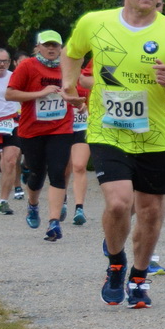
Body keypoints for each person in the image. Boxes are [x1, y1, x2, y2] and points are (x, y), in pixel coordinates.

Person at [62, 0, 165, 307]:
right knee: (119, 201)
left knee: (150, 211)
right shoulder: (95, 22)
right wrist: (68, 83)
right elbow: (72, 52)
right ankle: (115, 262)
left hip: (155, 135)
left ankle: (138, 278)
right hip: (107, 129)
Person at [6, 31, 76, 239]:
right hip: (32, 130)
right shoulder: (27, 66)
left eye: (55, 45)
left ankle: (54, 222)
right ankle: (33, 204)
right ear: (38, 47)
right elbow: (10, 94)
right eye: (47, 45)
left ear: (61, 48)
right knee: (37, 173)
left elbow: (76, 92)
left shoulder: (68, 66)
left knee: (58, 171)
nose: (51, 49)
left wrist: (77, 102)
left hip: (60, 128)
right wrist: (41, 93)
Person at [65, 56, 92, 226]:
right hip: (61, 127)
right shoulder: (58, 76)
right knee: (63, 167)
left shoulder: (86, 78)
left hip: (83, 125)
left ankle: (79, 208)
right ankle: (62, 198)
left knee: (79, 166)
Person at [0, 47, 20, 214]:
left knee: (10, 161)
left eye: (5, 61)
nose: (1, 64)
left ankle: (3, 201)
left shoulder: (15, 77)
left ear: (10, 62)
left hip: (12, 123)